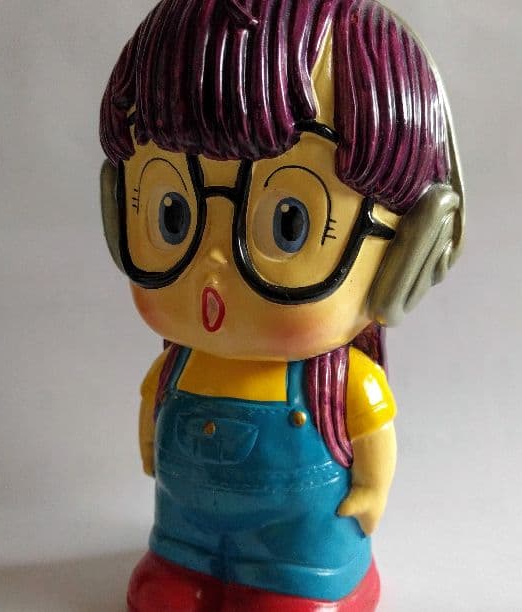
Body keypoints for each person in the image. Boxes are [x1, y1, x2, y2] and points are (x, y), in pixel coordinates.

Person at [98, 1, 465, 610]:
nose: (213, 266)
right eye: (172, 214)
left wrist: (370, 491)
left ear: (406, 259)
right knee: (168, 587)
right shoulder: (176, 368)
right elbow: (150, 412)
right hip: (184, 526)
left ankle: (298, 580)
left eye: (289, 222)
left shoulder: (342, 383)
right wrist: (149, 448)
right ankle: (184, 566)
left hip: (303, 544)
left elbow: (373, 441)